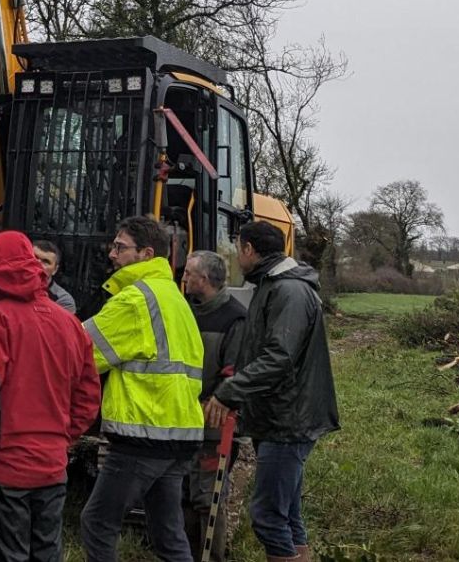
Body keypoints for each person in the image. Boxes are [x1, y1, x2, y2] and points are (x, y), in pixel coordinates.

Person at [205, 223, 338, 562]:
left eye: (238, 248)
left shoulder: (288, 291)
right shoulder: (274, 285)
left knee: (267, 518)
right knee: (288, 516)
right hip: (282, 417)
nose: (236, 255)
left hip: (288, 420)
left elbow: (279, 357)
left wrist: (229, 391)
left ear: (250, 249)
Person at [80, 216, 205, 562]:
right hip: (181, 434)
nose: (112, 254)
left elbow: (78, 354)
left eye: (120, 247)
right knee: (167, 532)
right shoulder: (175, 298)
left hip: (143, 433)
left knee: (97, 523)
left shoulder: (134, 300)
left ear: (146, 253)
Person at [0, 232, 102, 562]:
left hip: (1, 464)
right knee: (46, 552)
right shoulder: (69, 324)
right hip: (52, 463)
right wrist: (63, 437)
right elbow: (88, 394)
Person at [180, 250, 249, 561]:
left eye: (188, 274)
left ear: (203, 280)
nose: (182, 278)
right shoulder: (184, 311)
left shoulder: (234, 318)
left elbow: (235, 373)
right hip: (181, 419)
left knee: (208, 498)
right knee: (183, 494)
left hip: (214, 423)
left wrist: (218, 401)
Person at [32, 239, 79, 315]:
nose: (38, 264)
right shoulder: (12, 288)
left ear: (55, 270)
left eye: (46, 262)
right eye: (34, 257)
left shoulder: (64, 300)